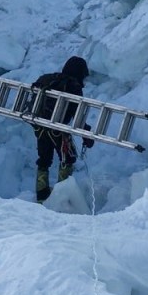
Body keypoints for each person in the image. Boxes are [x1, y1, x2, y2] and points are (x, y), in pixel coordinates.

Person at [30, 55, 94, 202]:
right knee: (68, 158)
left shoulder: (46, 79)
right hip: (58, 129)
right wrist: (87, 135)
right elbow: (77, 117)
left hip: (39, 125)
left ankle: (41, 195)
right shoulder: (74, 87)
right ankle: (61, 196)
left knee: (44, 159)